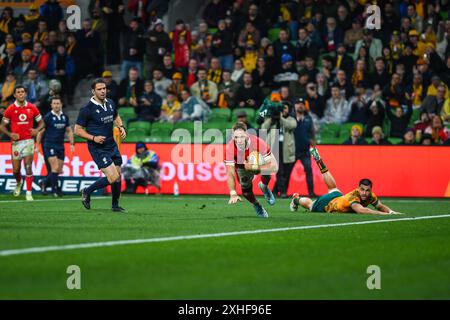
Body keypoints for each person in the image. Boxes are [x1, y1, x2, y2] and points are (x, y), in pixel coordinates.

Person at [290, 147, 403, 215]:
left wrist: (390, 212)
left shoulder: (370, 196)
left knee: (333, 188)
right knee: (311, 205)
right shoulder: (353, 197)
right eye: (362, 190)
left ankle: (320, 162)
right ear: (358, 189)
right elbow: (361, 210)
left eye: (367, 190)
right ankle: (296, 200)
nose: (364, 193)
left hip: (338, 195)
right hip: (328, 204)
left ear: (370, 190)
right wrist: (384, 215)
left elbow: (380, 206)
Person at [74, 79, 127, 212]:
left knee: (118, 175)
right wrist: (93, 138)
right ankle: (87, 191)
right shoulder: (87, 109)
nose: (103, 91)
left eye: (104, 88)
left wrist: (121, 127)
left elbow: (116, 116)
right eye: (99, 89)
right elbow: (77, 130)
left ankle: (115, 205)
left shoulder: (110, 103)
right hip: (98, 148)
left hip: (111, 144)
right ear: (93, 91)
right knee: (113, 177)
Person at [0, 85, 45, 201]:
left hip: (29, 141)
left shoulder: (32, 107)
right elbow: (2, 126)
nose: (21, 94)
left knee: (28, 166)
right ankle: (19, 182)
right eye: (18, 92)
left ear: (25, 94)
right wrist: (10, 134)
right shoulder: (10, 109)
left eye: (23, 92)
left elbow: (42, 124)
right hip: (16, 143)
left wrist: (36, 130)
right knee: (16, 170)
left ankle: (28, 193)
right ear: (15, 95)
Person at [225, 122, 278, 218]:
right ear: (233, 136)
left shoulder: (258, 142)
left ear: (247, 134)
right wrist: (232, 193)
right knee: (246, 191)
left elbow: (275, 166)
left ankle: (264, 187)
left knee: (267, 172)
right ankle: (257, 205)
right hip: (241, 167)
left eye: (241, 137)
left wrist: (255, 167)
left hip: (257, 164)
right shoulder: (230, 148)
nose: (239, 140)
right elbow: (230, 172)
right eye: (236, 137)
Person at [36, 96, 74, 197]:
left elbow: (69, 130)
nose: (56, 105)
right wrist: (37, 145)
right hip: (49, 145)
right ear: (51, 105)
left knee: (59, 169)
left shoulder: (64, 117)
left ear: (61, 105)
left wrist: (72, 144)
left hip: (60, 146)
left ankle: (43, 182)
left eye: (58, 103)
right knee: (55, 167)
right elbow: (40, 132)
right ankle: (54, 190)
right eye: (54, 103)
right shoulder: (48, 117)